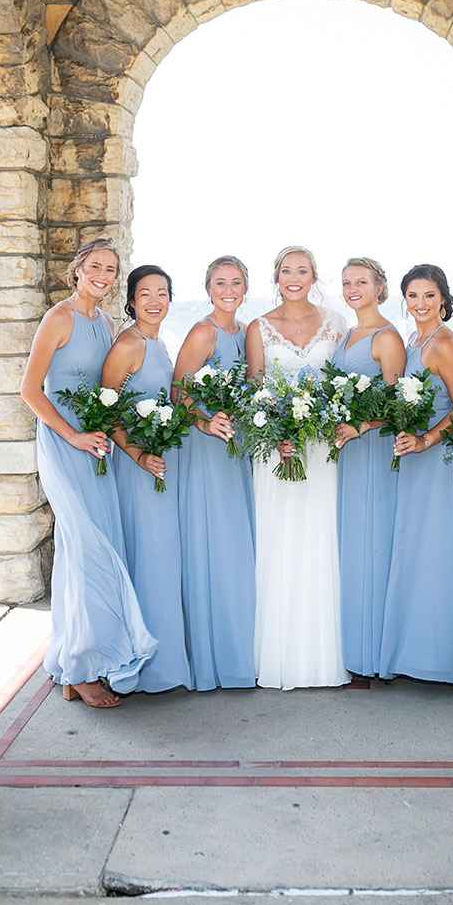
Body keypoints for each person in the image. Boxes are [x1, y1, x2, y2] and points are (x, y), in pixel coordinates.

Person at [20, 238, 156, 708]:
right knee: (85, 550)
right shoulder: (59, 317)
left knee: (91, 549)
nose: (103, 274)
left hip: (97, 448)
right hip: (64, 444)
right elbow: (30, 390)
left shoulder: (108, 323)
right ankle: (82, 669)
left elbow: (110, 392)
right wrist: (73, 437)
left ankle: (73, 663)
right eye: (95, 266)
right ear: (78, 269)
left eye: (111, 269)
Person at [245, 246, 348, 690]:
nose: (294, 277)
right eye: (286, 270)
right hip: (278, 451)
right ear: (276, 276)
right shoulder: (259, 328)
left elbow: (345, 382)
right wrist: (277, 434)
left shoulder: (336, 322)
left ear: (313, 276)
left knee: (320, 540)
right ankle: (275, 655)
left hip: (324, 450)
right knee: (278, 541)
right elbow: (253, 395)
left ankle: (325, 655)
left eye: (302, 270)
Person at [379, 264, 453, 684]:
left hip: (436, 460)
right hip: (414, 458)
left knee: (435, 552)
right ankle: (412, 650)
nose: (420, 304)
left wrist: (425, 441)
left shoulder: (445, 344)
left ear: (444, 300)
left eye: (429, 296)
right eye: (413, 296)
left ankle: (438, 658)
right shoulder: (415, 340)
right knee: (414, 551)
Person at [102, 265, 191, 694]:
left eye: (163, 292)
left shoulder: (158, 343)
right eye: (146, 293)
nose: (155, 300)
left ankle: (164, 659)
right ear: (131, 300)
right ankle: (145, 665)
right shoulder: (128, 344)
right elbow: (108, 410)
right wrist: (138, 456)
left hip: (158, 464)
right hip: (139, 468)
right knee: (150, 558)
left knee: (162, 558)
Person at [173, 256, 256, 690]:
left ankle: (238, 644)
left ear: (246, 288)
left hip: (237, 447)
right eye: (220, 282)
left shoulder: (243, 332)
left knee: (235, 543)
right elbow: (178, 390)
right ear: (208, 289)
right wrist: (206, 423)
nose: (229, 289)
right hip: (207, 448)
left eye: (236, 282)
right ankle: (212, 657)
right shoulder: (204, 331)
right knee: (215, 543)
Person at [331, 258, 405, 678]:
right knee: (353, 543)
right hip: (349, 451)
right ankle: (353, 645)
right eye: (347, 282)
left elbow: (400, 406)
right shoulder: (348, 334)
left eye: (362, 282)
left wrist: (361, 425)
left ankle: (376, 652)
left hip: (375, 450)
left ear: (380, 287)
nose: (353, 288)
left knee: (375, 542)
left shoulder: (386, 337)